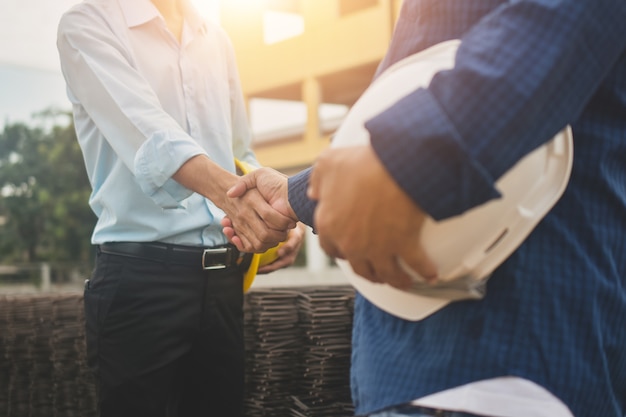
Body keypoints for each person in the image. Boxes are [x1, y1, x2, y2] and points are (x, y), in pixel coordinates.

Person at [222, 0, 626, 416]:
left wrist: (412, 160)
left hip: (503, 349)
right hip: (423, 361)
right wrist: (295, 193)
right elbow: (394, 122)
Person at [56, 0, 304, 416]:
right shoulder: (86, 24)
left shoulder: (217, 37)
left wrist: (278, 210)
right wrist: (239, 200)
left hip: (224, 282)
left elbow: (240, 151)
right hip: (141, 284)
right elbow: (153, 138)